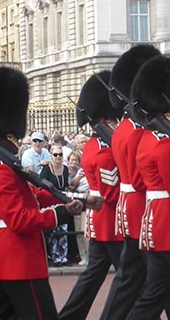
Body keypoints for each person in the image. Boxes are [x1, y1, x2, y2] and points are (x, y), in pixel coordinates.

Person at [0, 67, 82, 319]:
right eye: (14, 138)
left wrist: (72, 199)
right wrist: (61, 213)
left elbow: (31, 194)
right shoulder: (0, 171)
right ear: (5, 136)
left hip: (0, 254)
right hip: (18, 259)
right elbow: (20, 219)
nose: (18, 143)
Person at [127, 55, 170, 320]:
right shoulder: (165, 144)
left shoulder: (147, 140)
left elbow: (142, 181)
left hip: (153, 224)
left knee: (153, 296)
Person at [101, 44, 160, 320]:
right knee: (154, 276)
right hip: (141, 207)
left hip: (130, 206)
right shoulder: (137, 131)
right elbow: (139, 180)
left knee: (137, 276)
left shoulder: (124, 127)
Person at [59, 71, 122, 320]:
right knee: (130, 278)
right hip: (111, 221)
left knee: (93, 276)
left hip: (99, 222)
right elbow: (111, 193)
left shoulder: (94, 146)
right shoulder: (105, 150)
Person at [41, 145, 71, 266]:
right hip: (51, 201)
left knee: (63, 230)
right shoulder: (47, 168)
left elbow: (66, 184)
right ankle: (55, 257)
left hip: (63, 200)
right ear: (51, 156)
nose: (58, 157)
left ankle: (63, 257)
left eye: (60, 155)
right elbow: (41, 183)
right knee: (53, 231)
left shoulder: (65, 168)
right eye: (55, 155)